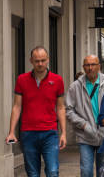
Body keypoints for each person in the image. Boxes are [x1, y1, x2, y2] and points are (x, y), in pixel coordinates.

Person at [6, 46, 67, 177]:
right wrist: (11, 132)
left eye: (43, 60)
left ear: (48, 60)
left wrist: (63, 133)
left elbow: (61, 107)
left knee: (52, 171)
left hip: (50, 133)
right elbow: (17, 106)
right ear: (31, 61)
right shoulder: (22, 79)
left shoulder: (57, 80)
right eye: (37, 61)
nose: (40, 64)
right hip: (28, 133)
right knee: (32, 173)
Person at [66, 55, 104, 177]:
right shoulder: (75, 86)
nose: (90, 68)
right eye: (87, 65)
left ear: (99, 66)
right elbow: (69, 110)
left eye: (93, 64)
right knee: (86, 171)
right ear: (83, 67)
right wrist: (83, 124)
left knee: (103, 171)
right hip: (85, 135)